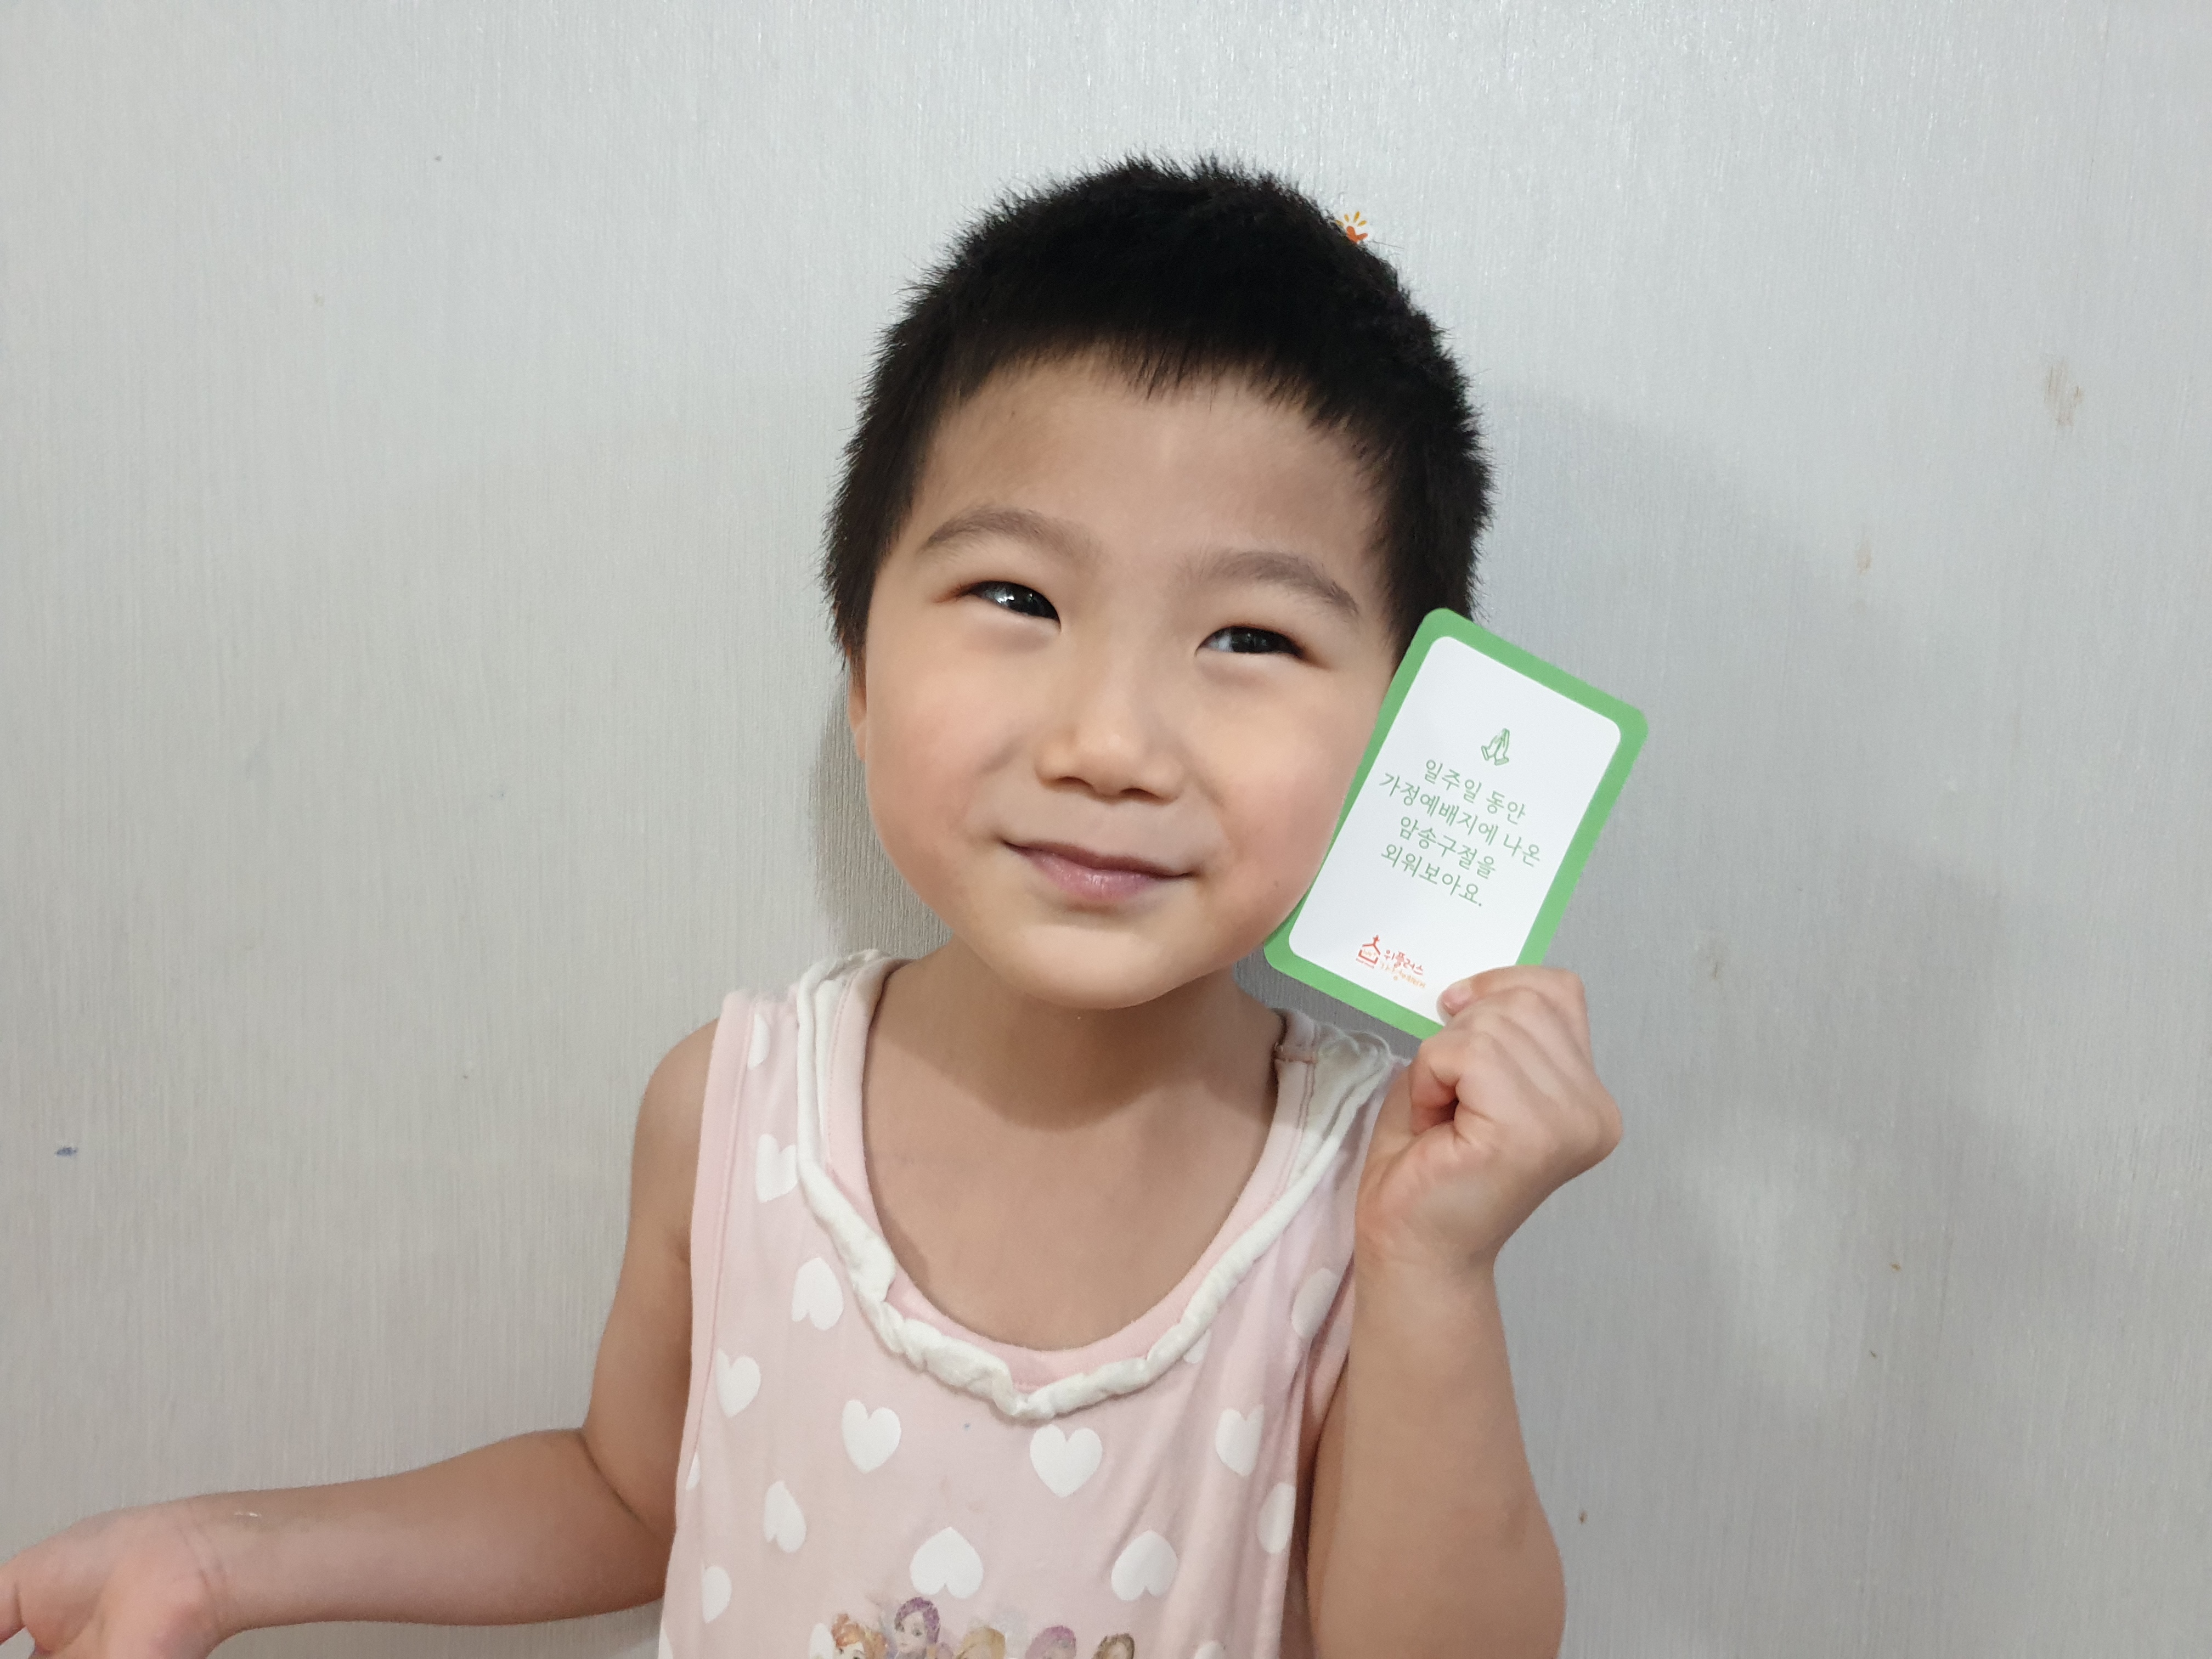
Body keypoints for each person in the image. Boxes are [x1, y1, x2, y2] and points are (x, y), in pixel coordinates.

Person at [0, 157, 1620, 1658]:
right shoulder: (734, 1109)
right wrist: (217, 1559)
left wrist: (1435, 1270)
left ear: (1409, 733)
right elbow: (627, 1491)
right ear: (858, 670)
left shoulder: (1374, 1189)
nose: (1110, 744)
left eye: (1250, 638)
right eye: (1017, 597)